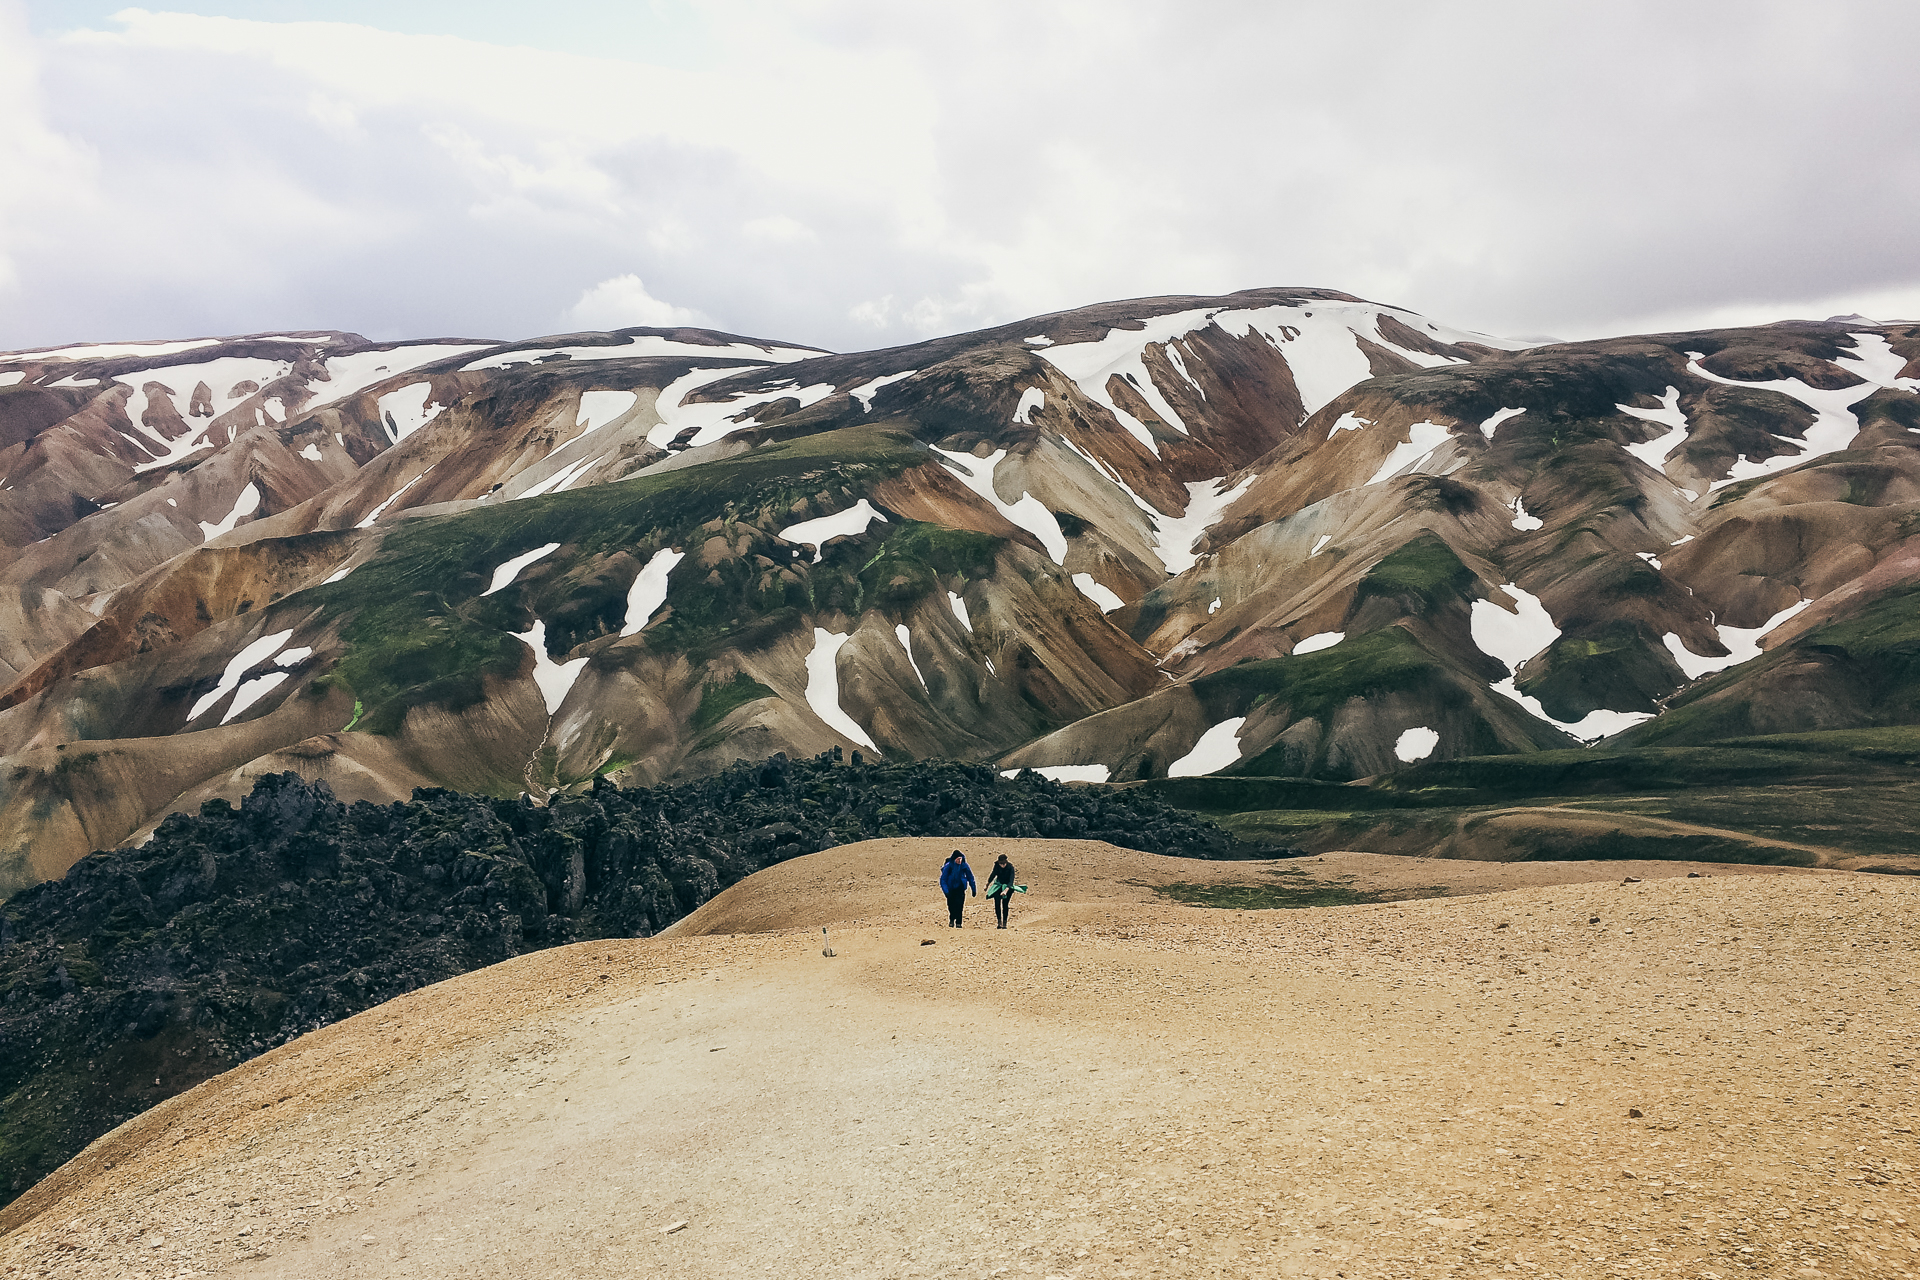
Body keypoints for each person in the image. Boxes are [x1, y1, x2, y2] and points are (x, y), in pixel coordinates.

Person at [939, 851, 975, 928]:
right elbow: (943, 879)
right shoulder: (948, 866)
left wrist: (973, 888)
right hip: (950, 889)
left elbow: (970, 877)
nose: (959, 861)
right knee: (951, 906)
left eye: (960, 859)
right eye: (958, 859)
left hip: (960, 888)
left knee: (960, 906)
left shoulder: (964, 865)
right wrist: (946, 891)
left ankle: (959, 923)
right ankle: (952, 919)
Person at [985, 854, 1018, 929]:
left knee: (1005, 904)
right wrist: (987, 884)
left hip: (1008, 887)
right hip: (998, 886)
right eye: (1001, 864)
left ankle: (1004, 923)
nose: (1002, 865)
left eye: (1003, 864)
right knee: (997, 903)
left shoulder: (1010, 867)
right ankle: (999, 922)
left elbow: (1011, 881)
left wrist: (1006, 890)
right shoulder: (997, 866)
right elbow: (993, 875)